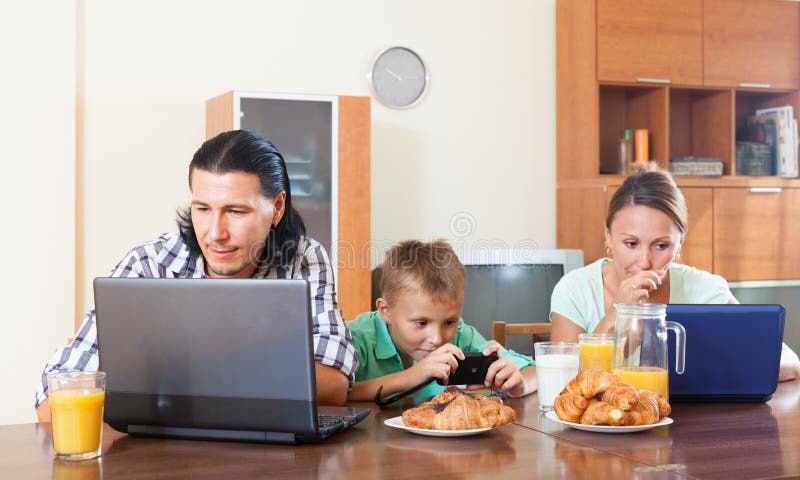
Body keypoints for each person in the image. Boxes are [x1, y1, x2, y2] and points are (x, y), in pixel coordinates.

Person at [36, 129, 356, 421]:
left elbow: (332, 383)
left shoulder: (302, 257)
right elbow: (54, 402)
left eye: (235, 211)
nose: (215, 233)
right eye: (202, 209)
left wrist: (172, 378)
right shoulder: (150, 265)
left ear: (277, 207)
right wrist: (257, 375)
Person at [550, 169, 800, 382]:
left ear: (680, 243)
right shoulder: (574, 289)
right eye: (631, 243)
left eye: (661, 246)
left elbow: (789, 363)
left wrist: (706, 370)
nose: (645, 261)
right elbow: (564, 381)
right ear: (608, 235)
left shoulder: (704, 289)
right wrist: (618, 312)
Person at [346, 240, 537, 402]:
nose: (437, 338)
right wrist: (410, 377)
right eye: (421, 323)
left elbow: (534, 373)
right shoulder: (354, 339)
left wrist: (518, 384)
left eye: (449, 322)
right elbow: (330, 395)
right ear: (385, 311)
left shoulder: (461, 334)